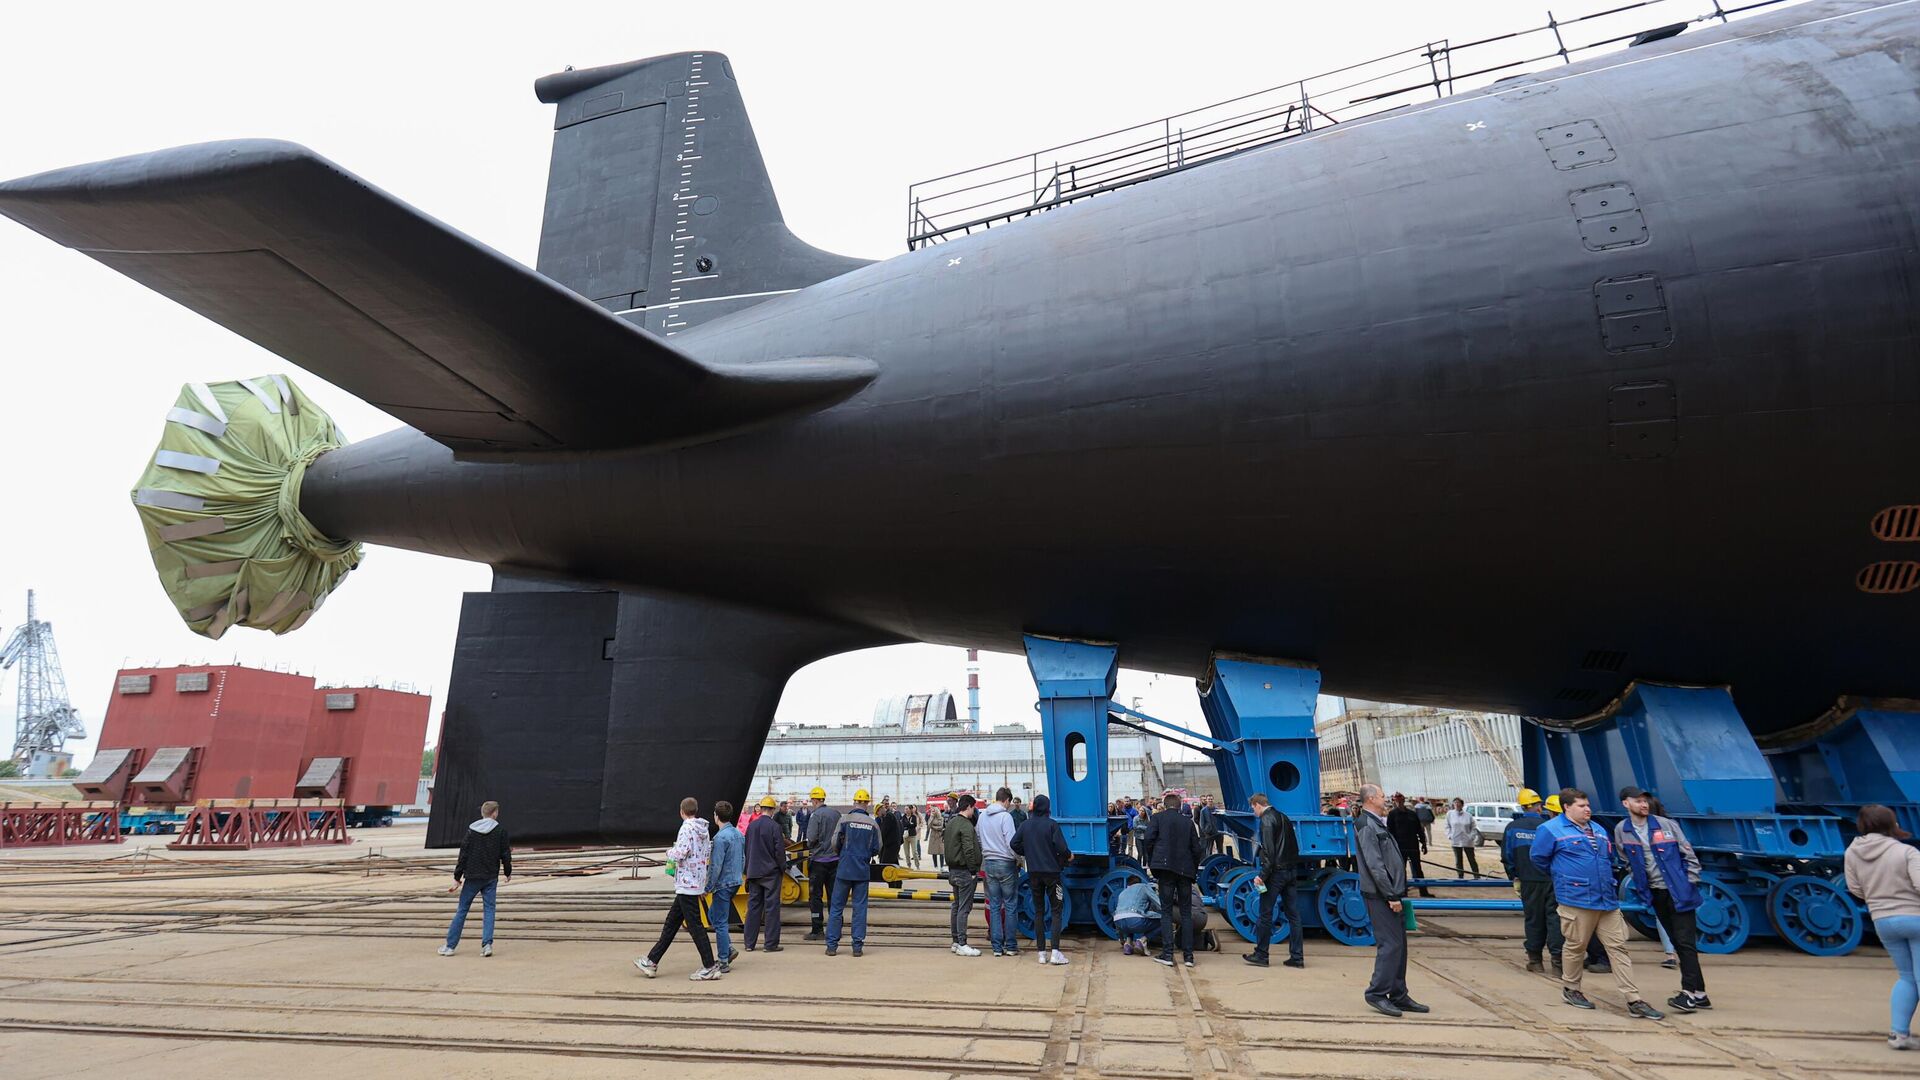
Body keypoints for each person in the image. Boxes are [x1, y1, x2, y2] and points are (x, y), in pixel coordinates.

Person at [1530, 788, 1661, 1018]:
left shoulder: (1598, 830)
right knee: (1576, 946)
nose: (1588, 809)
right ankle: (1571, 989)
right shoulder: (1550, 830)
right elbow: (1539, 859)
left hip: (1606, 899)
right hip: (1576, 899)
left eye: (1588, 805)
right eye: (1581, 806)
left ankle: (1634, 999)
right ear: (1566, 807)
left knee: (1618, 947)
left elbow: (1607, 859)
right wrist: (1566, 877)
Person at [1614, 786, 1709, 1013]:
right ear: (1626, 804)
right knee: (1677, 941)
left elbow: (1689, 856)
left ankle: (1687, 994)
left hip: (1678, 892)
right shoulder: (1622, 830)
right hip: (1655, 893)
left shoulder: (1666, 825)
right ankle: (1700, 994)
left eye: (1645, 800)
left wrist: (1688, 884)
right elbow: (1625, 859)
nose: (1644, 804)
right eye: (1637, 801)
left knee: (1685, 942)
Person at [1845, 804, 1920, 1051]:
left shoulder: (1852, 852)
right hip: (1915, 917)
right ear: (1891, 824)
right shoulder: (1906, 852)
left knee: (1906, 977)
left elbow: (1855, 889)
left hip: (1882, 920)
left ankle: (1899, 1035)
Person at [1353, 784, 1428, 1017]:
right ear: (1372, 798)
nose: (1386, 800)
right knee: (1390, 945)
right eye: (1383, 796)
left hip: (1391, 893)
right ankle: (1376, 993)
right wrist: (1390, 895)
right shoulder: (1366, 825)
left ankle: (1398, 993)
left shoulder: (1376, 822)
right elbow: (1375, 865)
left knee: (1400, 946)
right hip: (1381, 896)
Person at [636, 797, 722, 980]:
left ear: (682, 811)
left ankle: (709, 966)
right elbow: (705, 852)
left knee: (695, 926)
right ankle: (651, 961)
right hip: (695, 881)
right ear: (695, 810)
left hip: (686, 883)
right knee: (671, 923)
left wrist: (669, 852)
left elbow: (681, 852)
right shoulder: (704, 831)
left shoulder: (686, 828)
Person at [1140, 791, 1206, 968]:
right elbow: (1196, 848)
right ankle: (1189, 956)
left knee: (1166, 912)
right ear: (1179, 806)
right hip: (1185, 871)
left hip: (1165, 869)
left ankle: (1168, 954)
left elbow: (1148, 839)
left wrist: (1154, 861)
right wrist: (1192, 867)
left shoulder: (1158, 819)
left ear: (1165, 804)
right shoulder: (1188, 822)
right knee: (1186, 913)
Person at [1502, 788, 1564, 972]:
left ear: (1522, 806)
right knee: (1555, 919)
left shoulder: (1512, 828)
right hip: (1552, 879)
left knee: (1533, 919)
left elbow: (1507, 856)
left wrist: (1514, 876)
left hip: (1528, 880)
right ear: (1539, 807)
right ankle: (1558, 964)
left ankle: (1535, 961)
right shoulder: (1550, 826)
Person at [1241, 792, 1305, 968]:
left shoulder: (1266, 821)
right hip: (1291, 871)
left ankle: (1261, 954)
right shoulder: (1283, 817)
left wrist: (1262, 876)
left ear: (1257, 804)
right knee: (1294, 916)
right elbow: (1294, 846)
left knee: (1265, 915)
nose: (1253, 812)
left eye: (1252, 808)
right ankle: (1297, 957)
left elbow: (1269, 851)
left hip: (1276, 874)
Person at [441, 799, 511, 957]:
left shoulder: (471, 831)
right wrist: (508, 872)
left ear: (483, 813)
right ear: (494, 813)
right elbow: (505, 854)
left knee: (462, 910)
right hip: (491, 877)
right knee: (489, 910)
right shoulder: (500, 831)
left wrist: (457, 877)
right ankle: (487, 946)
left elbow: (463, 855)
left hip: (472, 877)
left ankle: (450, 946)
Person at [1013, 793, 1073, 965]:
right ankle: (1055, 952)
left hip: (1033, 874)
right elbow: (1062, 848)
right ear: (1047, 808)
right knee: (1056, 910)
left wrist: (1028, 852)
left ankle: (1041, 953)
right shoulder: (1051, 825)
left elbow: (1014, 844)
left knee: (1038, 911)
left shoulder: (1025, 825)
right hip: (1052, 874)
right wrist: (1069, 856)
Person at [825, 788, 881, 957]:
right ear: (867, 804)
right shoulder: (872, 824)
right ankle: (857, 947)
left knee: (836, 908)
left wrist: (843, 855)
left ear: (854, 802)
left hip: (844, 869)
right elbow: (877, 848)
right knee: (860, 909)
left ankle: (832, 946)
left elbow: (834, 842)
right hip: (862, 871)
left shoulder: (844, 819)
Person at [979, 787, 1022, 957]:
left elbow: (978, 838)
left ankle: (997, 947)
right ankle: (1011, 946)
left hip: (989, 863)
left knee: (994, 905)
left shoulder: (982, 816)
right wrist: (1018, 859)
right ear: (1007, 800)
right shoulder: (1006, 817)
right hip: (1006, 864)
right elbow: (1012, 843)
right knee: (1010, 905)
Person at [743, 794, 787, 954]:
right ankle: (770, 944)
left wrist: (747, 870)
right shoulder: (775, 827)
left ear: (760, 809)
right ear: (773, 810)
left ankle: (749, 943)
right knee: (771, 908)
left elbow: (746, 849)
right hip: (771, 874)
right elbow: (779, 852)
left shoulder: (752, 826)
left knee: (753, 908)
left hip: (754, 872)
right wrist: (783, 868)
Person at [707, 800, 745, 971]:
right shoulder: (738, 834)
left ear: (716, 816)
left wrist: (708, 887)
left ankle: (723, 960)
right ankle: (728, 947)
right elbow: (743, 859)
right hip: (735, 881)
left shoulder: (720, 838)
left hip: (723, 883)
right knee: (713, 914)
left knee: (720, 922)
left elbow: (716, 865)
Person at [945, 794, 983, 956]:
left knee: (956, 906)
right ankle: (962, 943)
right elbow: (968, 849)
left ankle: (955, 941)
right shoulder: (966, 825)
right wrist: (974, 870)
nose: (974, 811)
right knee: (964, 908)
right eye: (973, 807)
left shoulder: (952, 822)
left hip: (953, 870)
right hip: (964, 871)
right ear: (968, 807)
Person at [803, 786, 839, 941]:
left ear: (815, 800)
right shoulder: (836, 814)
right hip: (835, 861)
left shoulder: (815, 816)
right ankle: (835, 929)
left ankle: (817, 929)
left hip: (819, 862)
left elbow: (811, 838)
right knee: (834, 896)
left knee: (816, 897)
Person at [1386, 793, 1431, 898]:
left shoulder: (1412, 814)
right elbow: (1389, 831)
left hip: (1413, 845)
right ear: (1394, 801)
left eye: (1400, 799)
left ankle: (1423, 892)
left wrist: (1423, 843)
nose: (1398, 802)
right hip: (1400, 847)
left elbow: (1419, 830)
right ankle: (1403, 892)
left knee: (1418, 869)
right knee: (1401, 870)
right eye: (1396, 800)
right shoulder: (1392, 814)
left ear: (1403, 800)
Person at [1112, 879, 1163, 955]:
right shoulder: (1144, 887)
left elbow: (1120, 913)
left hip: (1119, 923)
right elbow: (1159, 905)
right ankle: (1142, 941)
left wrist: (1121, 939)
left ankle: (1128, 944)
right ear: (1139, 882)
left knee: (1128, 919)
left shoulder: (1122, 892)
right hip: (1135, 921)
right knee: (1164, 922)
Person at [1445, 798, 1480, 878]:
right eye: (1455, 803)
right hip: (1455, 841)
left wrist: (1472, 836)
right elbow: (1447, 826)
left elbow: (1474, 827)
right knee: (1458, 860)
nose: (1457, 804)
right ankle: (1460, 876)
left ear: (1462, 804)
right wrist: (1449, 835)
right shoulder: (1450, 814)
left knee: (1472, 859)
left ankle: (1477, 876)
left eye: (1458, 803)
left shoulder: (1468, 815)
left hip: (1468, 841)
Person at [929, 803, 948, 869]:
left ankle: (942, 866)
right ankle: (935, 865)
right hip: (933, 836)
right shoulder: (932, 817)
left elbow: (941, 827)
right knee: (933, 851)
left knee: (941, 852)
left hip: (940, 835)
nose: (933, 811)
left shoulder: (941, 818)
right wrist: (931, 816)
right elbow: (929, 825)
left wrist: (933, 827)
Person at [904, 804, 922, 868]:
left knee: (914, 852)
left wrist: (907, 824)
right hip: (905, 837)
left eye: (907, 809)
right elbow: (903, 824)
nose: (905, 810)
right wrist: (909, 824)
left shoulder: (914, 817)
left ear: (910, 810)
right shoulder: (903, 817)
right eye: (905, 809)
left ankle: (917, 866)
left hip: (913, 836)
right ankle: (909, 865)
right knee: (906, 853)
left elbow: (914, 825)